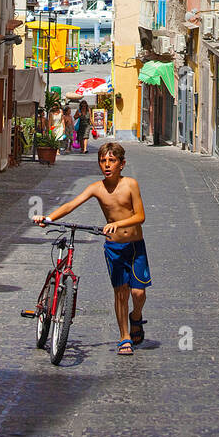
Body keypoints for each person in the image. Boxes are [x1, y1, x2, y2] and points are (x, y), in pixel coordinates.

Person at [34, 141, 149, 356]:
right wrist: (48, 218)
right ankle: (124, 337)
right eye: (103, 161)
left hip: (134, 246)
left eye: (112, 161)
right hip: (114, 247)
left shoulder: (131, 184)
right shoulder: (97, 188)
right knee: (121, 292)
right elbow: (71, 204)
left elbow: (140, 216)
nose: (107, 165)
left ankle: (136, 316)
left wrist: (119, 223)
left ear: (121, 164)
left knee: (138, 293)